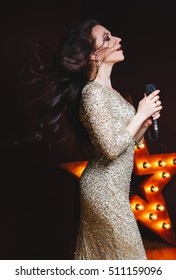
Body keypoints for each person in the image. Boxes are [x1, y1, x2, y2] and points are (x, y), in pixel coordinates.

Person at [22, 19, 162, 259]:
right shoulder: (92, 94)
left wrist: (144, 123)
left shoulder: (111, 93)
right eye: (106, 38)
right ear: (92, 56)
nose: (117, 39)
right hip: (103, 190)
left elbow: (125, 142)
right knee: (132, 261)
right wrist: (139, 114)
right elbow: (110, 148)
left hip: (115, 189)